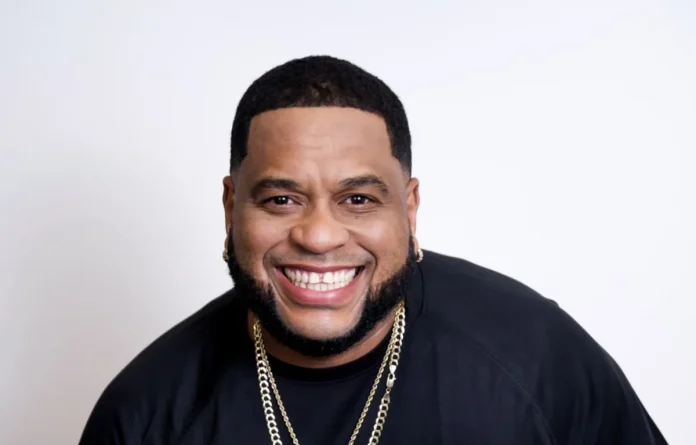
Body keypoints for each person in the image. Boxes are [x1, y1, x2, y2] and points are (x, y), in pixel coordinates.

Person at [79, 55, 667, 445]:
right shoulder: (146, 413)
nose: (319, 236)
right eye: (281, 199)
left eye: (358, 199)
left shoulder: (536, 357)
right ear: (232, 205)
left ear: (408, 209)